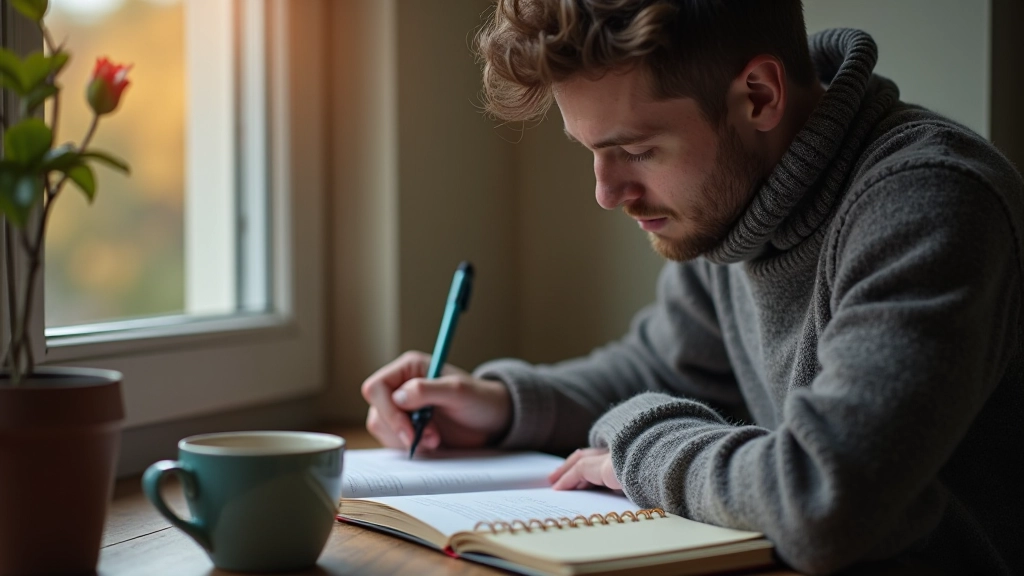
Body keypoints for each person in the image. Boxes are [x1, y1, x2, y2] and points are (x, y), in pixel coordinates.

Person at [360, 1, 1023, 574]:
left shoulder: (931, 202)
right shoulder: (741, 206)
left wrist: (637, 444)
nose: (606, 192)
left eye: (639, 150)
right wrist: (503, 404)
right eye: (590, 150)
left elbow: (824, 497)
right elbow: (660, 367)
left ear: (759, 95)